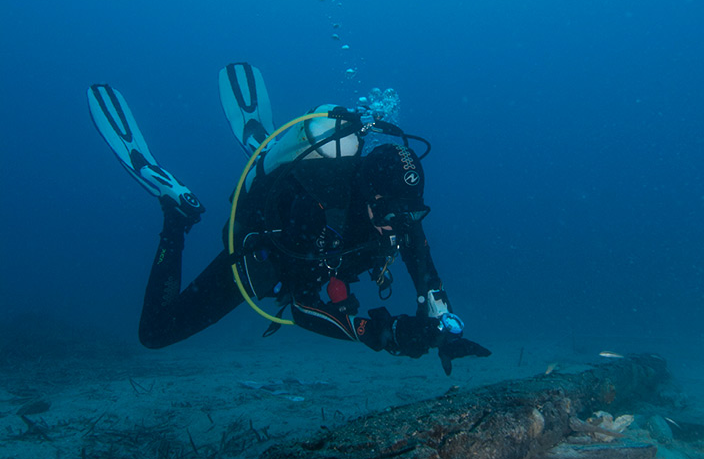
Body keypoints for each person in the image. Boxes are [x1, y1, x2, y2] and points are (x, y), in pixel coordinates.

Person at [88, 64, 491, 375]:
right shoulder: (316, 209)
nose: (398, 226)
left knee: (398, 233)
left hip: (320, 250)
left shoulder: (399, 212)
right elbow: (302, 306)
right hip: (272, 253)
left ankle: (263, 150)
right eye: (391, 213)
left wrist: (443, 330)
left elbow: (427, 275)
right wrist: (382, 335)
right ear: (370, 193)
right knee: (155, 333)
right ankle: (176, 216)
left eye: (411, 213)